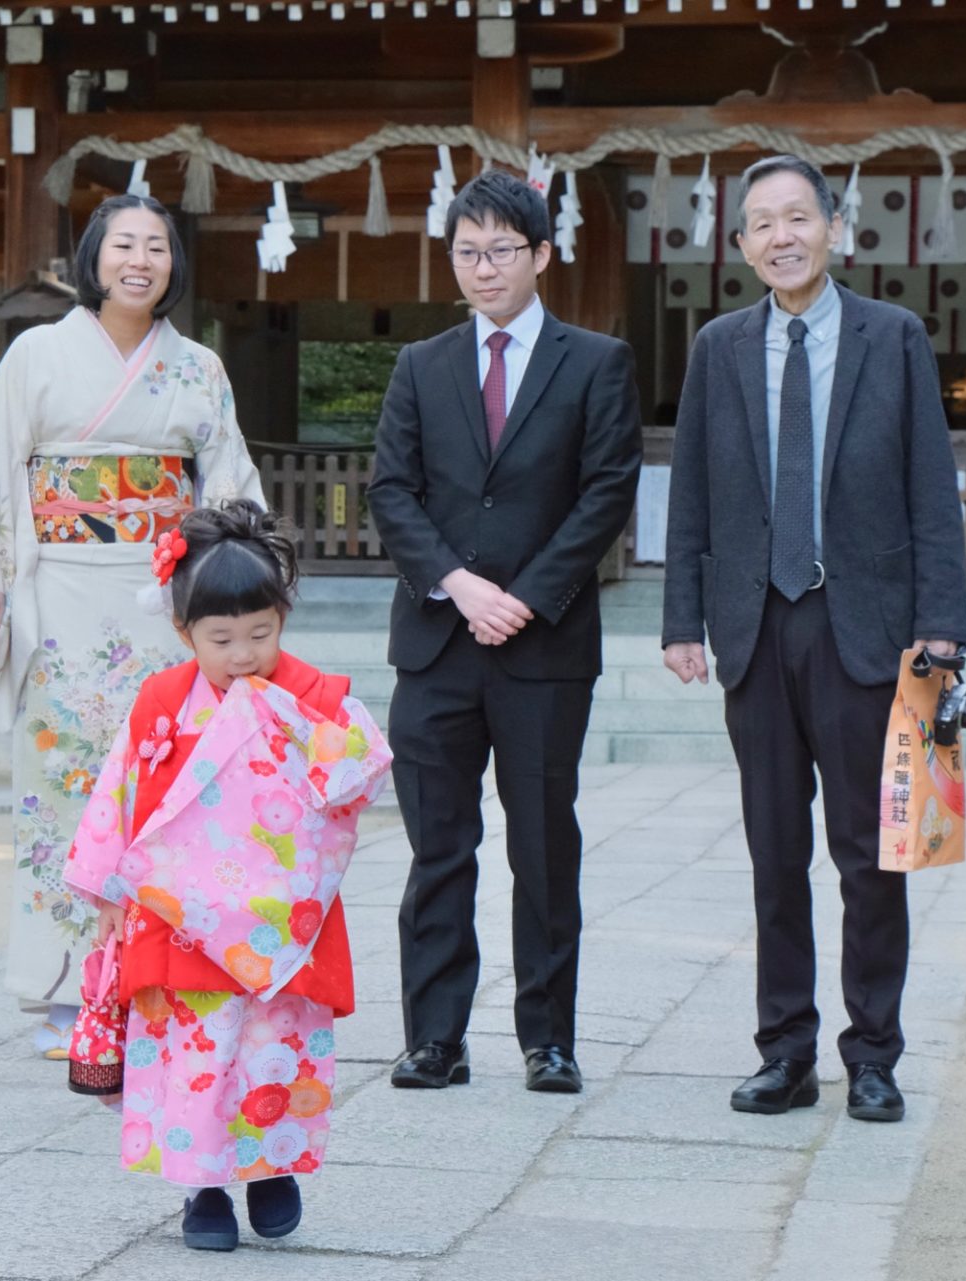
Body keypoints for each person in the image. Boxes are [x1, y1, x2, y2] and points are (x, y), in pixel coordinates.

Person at [661, 155, 966, 1123]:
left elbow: (932, 484)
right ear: (743, 243)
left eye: (798, 217)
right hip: (755, 628)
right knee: (772, 853)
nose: (781, 236)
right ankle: (785, 1051)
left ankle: (873, 1055)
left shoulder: (895, 337)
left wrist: (943, 626)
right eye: (761, 223)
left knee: (869, 854)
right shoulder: (718, 346)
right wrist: (682, 619)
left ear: (836, 228)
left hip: (865, 630)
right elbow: (693, 492)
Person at [0, 194, 264, 1058]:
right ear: (93, 258)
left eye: (156, 246)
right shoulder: (38, 355)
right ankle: (65, 992)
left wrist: (236, 590)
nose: (140, 259)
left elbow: (228, 477)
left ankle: (163, 979)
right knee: (61, 788)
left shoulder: (198, 366)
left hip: (166, 604)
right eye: (123, 244)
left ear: (173, 264)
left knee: (169, 794)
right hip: (59, 595)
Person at [369, 169, 644, 1094]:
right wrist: (457, 584)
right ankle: (434, 1037)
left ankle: (548, 1038)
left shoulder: (595, 360)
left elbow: (608, 488)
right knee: (438, 846)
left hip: (544, 645)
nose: (484, 269)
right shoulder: (422, 364)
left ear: (542, 255)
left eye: (502, 251)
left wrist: (521, 595)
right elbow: (391, 492)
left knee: (542, 845)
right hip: (438, 643)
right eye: (467, 252)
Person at [62, 500, 391, 1251]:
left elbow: (359, 770)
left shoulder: (312, 694)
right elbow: (122, 791)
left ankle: (272, 1165)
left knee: (275, 1042)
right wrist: (111, 889)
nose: (243, 653)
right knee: (196, 1051)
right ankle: (203, 1187)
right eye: (221, 638)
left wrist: (327, 741)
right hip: (183, 911)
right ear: (183, 632)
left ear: (283, 618)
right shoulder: (162, 701)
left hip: (279, 914)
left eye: (261, 633)